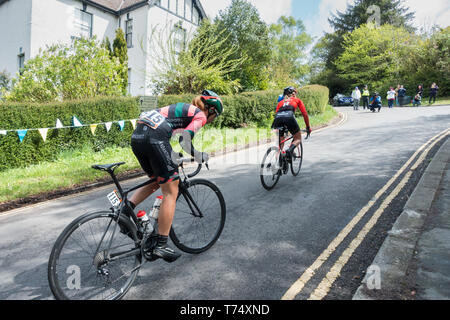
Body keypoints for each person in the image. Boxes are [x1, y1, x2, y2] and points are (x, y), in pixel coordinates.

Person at [121, 90, 224, 263]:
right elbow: (184, 140)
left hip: (138, 136)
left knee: (157, 179)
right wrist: (199, 155)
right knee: (171, 190)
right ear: (211, 110)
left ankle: (125, 211)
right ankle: (161, 244)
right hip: (154, 138)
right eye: (215, 116)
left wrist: (173, 157)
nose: (212, 120)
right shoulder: (200, 115)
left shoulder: (185, 110)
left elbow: (170, 137)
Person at [272, 86, 311, 161]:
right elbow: (305, 114)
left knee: (281, 142)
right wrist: (308, 127)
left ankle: (278, 160)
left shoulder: (280, 102)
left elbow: (277, 114)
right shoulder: (297, 100)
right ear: (293, 93)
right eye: (295, 93)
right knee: (298, 138)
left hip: (277, 119)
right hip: (289, 118)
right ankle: (289, 151)